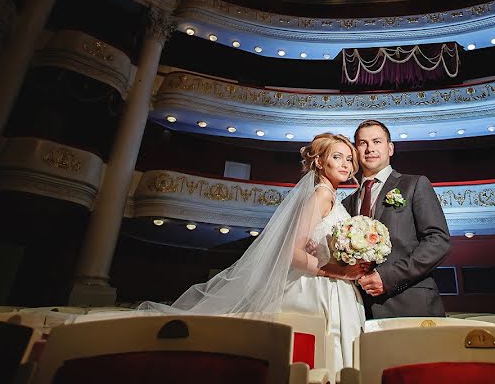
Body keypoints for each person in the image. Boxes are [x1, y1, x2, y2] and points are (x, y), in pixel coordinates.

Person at [138, 132, 369, 372]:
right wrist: (341, 273)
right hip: (321, 289)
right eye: (338, 157)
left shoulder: (331, 197)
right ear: (320, 162)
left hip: (333, 286)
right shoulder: (321, 195)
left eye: (350, 159)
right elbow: (293, 253)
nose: (346, 164)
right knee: (321, 355)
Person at [343, 119, 451, 318]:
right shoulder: (346, 204)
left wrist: (388, 277)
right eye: (362, 143)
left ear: (390, 148)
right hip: (358, 309)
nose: (369, 149)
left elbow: (438, 241)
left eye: (377, 141)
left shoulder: (415, 184)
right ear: (355, 151)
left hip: (410, 303)